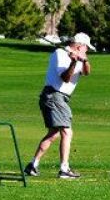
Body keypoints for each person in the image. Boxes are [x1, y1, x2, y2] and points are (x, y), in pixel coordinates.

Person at [24, 32, 94, 179]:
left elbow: (87, 73)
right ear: (79, 46)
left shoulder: (79, 56)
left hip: (58, 97)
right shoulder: (60, 54)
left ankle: (33, 165)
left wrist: (84, 60)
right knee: (67, 132)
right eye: (86, 48)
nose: (87, 50)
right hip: (54, 95)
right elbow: (65, 78)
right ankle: (64, 169)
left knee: (54, 133)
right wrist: (73, 62)